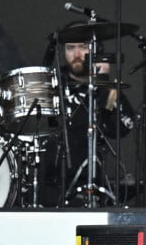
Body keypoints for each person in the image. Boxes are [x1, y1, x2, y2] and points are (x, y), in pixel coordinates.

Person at [42, 25, 135, 207]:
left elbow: (121, 128)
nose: (76, 54)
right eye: (70, 48)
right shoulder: (51, 82)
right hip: (49, 181)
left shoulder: (107, 88)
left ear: (96, 50)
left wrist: (102, 83)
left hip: (89, 185)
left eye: (83, 47)